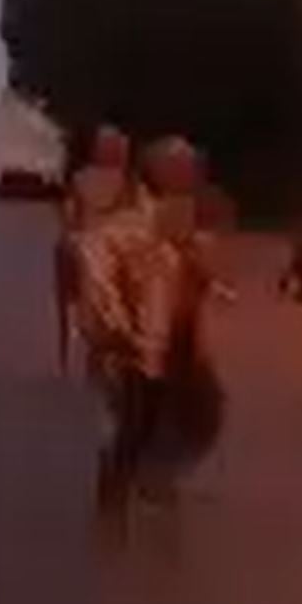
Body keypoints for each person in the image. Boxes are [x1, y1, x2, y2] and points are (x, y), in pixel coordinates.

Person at [76, 135, 221, 535]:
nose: (191, 178)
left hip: (175, 354)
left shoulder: (188, 229)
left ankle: (148, 512)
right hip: (127, 355)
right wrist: (122, 339)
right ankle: (113, 521)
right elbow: (101, 288)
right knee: (126, 434)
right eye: (183, 171)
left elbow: (202, 288)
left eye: (192, 171)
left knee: (174, 434)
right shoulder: (119, 233)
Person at [54, 126, 135, 372]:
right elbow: (70, 216)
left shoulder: (128, 181)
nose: (114, 152)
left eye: (117, 147)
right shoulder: (82, 179)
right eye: (109, 147)